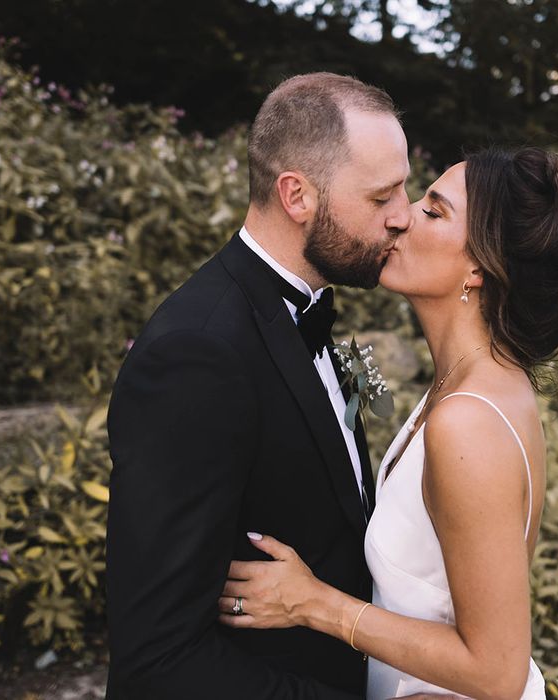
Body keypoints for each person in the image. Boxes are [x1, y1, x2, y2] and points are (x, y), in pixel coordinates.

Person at [218, 146, 558, 699]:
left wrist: (314, 603)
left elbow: (497, 673)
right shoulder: (480, 382)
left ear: (481, 266)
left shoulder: (468, 422)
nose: (403, 216)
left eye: (434, 212)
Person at [104, 73, 411, 699]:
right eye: (382, 198)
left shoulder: (306, 305)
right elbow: (157, 658)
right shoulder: (198, 353)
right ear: (297, 196)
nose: (404, 217)